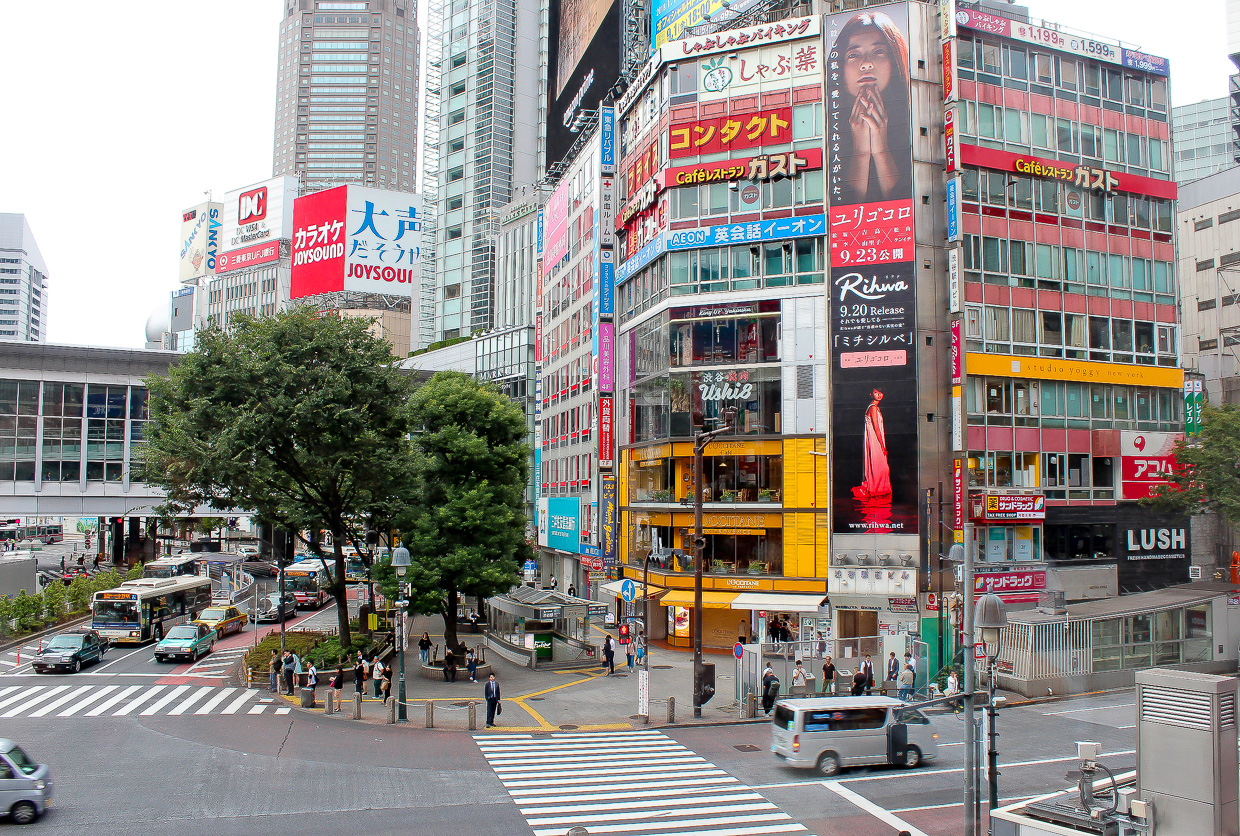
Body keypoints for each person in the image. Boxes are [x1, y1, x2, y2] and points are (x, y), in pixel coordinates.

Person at [829, 10, 913, 205]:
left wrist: (881, 149)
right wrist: (861, 150)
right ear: (839, 69)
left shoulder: (914, 119)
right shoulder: (828, 127)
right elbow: (844, 208)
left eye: (878, 51)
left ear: (894, 61)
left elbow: (904, 203)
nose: (866, 64)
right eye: (853, 54)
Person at [852, 389, 892, 501]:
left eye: (881, 392)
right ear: (871, 394)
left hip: (874, 441)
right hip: (875, 442)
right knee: (882, 467)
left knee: (880, 467)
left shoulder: (875, 407)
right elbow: (876, 428)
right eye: (876, 392)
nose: (879, 395)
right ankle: (876, 490)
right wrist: (882, 445)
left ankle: (877, 489)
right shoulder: (873, 408)